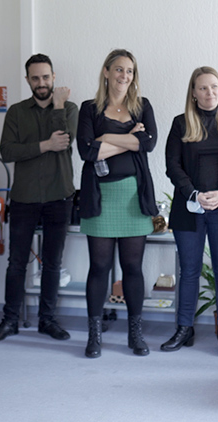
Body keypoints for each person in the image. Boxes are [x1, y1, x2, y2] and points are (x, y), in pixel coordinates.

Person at [0, 54, 78, 343]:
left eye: (46, 77)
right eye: (35, 78)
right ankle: (10, 320)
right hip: (25, 198)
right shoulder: (15, 112)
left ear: (53, 77)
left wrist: (59, 107)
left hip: (59, 196)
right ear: (27, 80)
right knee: (16, 262)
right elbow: (8, 152)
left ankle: (47, 320)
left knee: (52, 262)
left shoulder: (70, 108)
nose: (41, 83)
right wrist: (44, 145)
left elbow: (63, 141)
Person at [77, 49, 158, 358]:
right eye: (120, 69)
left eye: (130, 71)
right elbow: (87, 152)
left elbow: (148, 143)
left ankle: (134, 334)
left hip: (133, 196)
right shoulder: (89, 109)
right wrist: (128, 140)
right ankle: (94, 334)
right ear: (107, 72)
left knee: (132, 267)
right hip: (100, 196)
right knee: (99, 267)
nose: (125, 76)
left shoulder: (142, 107)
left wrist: (105, 141)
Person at [161, 67, 218, 357]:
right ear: (194, 93)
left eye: (214, 87)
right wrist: (194, 194)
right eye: (202, 88)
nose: (209, 93)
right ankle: (184, 328)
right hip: (189, 208)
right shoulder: (180, 124)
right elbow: (173, 166)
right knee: (189, 272)